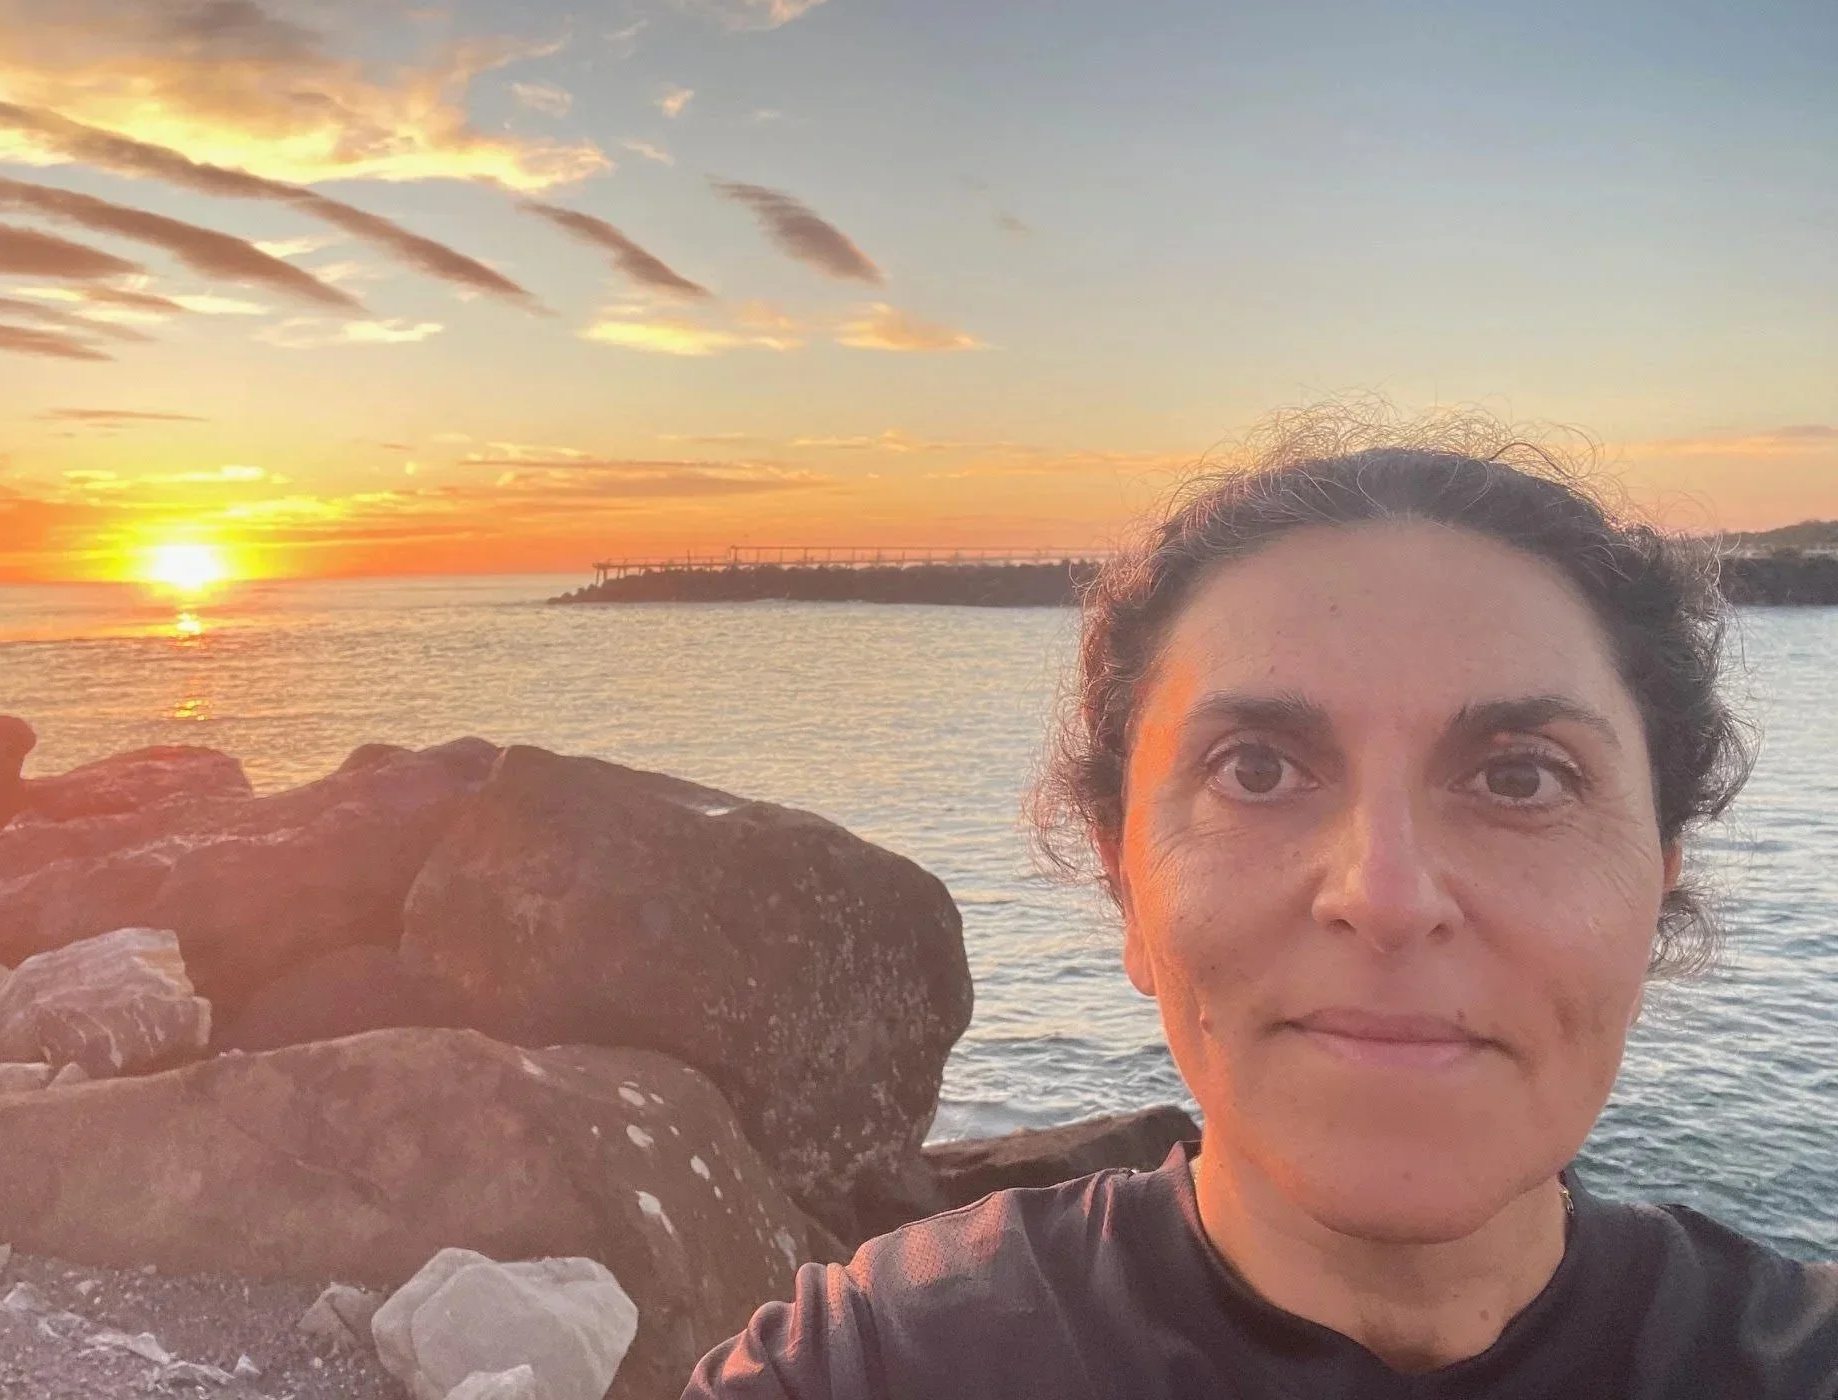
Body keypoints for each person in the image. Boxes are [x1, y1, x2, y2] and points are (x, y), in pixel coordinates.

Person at [682, 412, 1838, 1398]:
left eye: (1521, 777)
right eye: (1257, 770)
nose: (1385, 896)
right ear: (1127, 880)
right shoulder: (883, 1366)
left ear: (1661, 878)